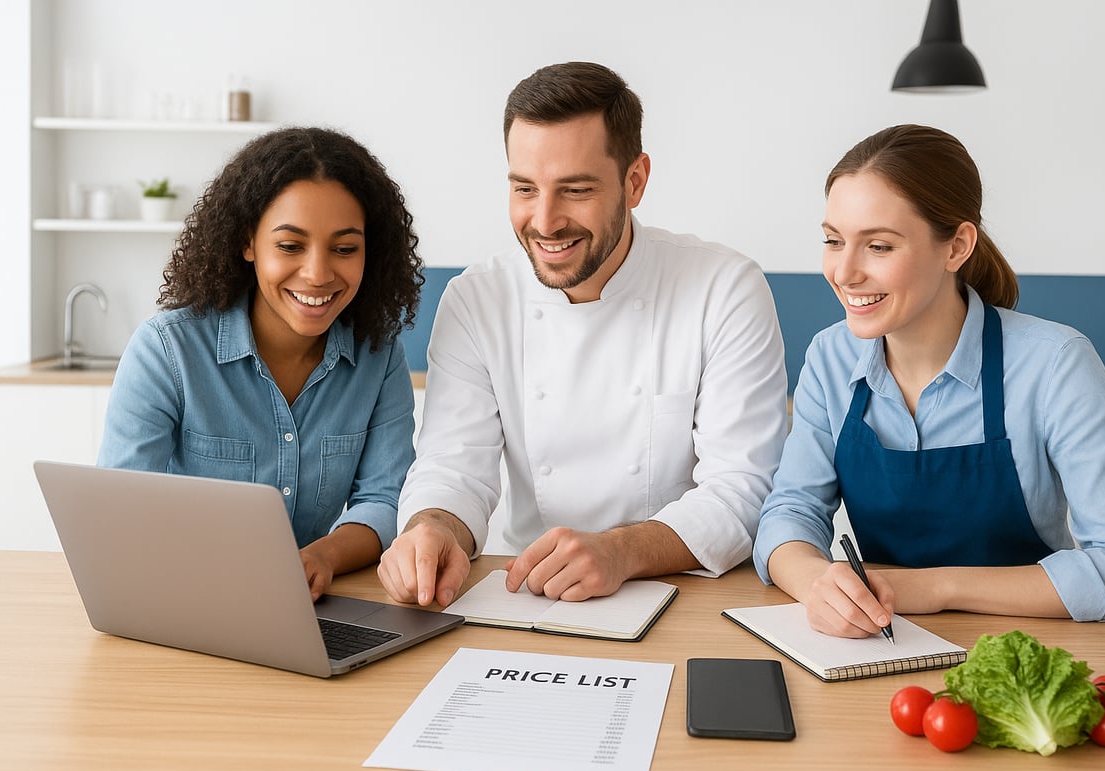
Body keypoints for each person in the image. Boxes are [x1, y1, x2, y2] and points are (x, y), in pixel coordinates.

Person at [378, 61, 788, 608]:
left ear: (634, 182)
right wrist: (432, 529)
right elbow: (454, 468)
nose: (545, 221)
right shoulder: (477, 299)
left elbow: (743, 488)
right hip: (529, 592)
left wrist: (620, 551)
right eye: (525, 188)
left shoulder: (724, 288)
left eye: (574, 189)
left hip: (686, 596)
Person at [754, 124, 1105, 638]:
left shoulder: (1055, 364)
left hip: (1029, 648)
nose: (844, 272)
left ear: (956, 247)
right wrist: (817, 584)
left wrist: (933, 588)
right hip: (882, 641)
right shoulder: (830, 357)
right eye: (833, 241)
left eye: (879, 246)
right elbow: (791, 511)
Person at [98, 126, 424, 600]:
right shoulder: (166, 350)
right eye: (290, 246)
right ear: (248, 241)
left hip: (311, 605)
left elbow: (386, 499)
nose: (317, 273)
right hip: (185, 599)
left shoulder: (379, 353)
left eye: (344, 248)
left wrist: (322, 557)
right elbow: (120, 513)